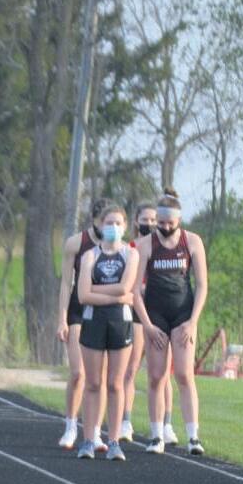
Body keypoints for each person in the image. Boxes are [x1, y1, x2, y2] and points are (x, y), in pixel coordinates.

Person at [133, 187, 208, 456]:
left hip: (182, 315)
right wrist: (147, 325)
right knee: (156, 376)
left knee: (185, 375)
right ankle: (156, 435)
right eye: (161, 223)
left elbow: (202, 285)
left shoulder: (192, 241)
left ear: (179, 220)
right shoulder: (145, 244)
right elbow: (134, 291)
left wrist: (193, 321)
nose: (165, 227)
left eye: (169, 223)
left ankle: (193, 436)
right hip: (155, 316)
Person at [75, 203, 139, 461]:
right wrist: (116, 297)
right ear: (100, 225)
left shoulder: (130, 254)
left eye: (118, 223)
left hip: (120, 322)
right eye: (109, 223)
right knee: (93, 383)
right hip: (94, 321)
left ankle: (114, 441)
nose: (113, 227)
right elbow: (82, 295)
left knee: (115, 383)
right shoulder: (89, 256)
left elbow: (126, 287)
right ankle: (89, 440)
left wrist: (98, 291)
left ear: (125, 226)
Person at [55, 198, 111, 451]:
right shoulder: (76, 243)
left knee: (99, 377)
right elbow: (66, 283)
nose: (108, 228)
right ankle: (70, 425)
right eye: (103, 223)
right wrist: (62, 318)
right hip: (79, 309)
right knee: (79, 373)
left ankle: (96, 431)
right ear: (94, 221)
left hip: (105, 311)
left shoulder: (118, 247)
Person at [120, 202, 175, 443]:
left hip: (160, 312)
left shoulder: (165, 247)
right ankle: (125, 421)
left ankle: (167, 424)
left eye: (154, 220)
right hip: (136, 311)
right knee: (131, 367)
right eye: (145, 220)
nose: (150, 224)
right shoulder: (130, 248)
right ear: (136, 221)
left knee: (163, 373)